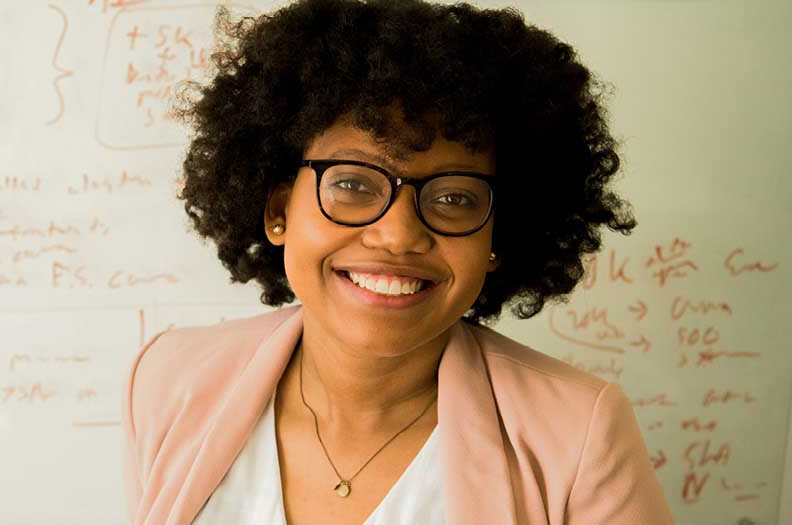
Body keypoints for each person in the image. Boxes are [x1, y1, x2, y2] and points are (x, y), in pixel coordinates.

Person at [121, 0, 674, 523]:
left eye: (455, 197)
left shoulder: (579, 434)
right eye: (354, 183)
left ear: (497, 237)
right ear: (277, 210)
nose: (399, 235)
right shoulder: (168, 379)